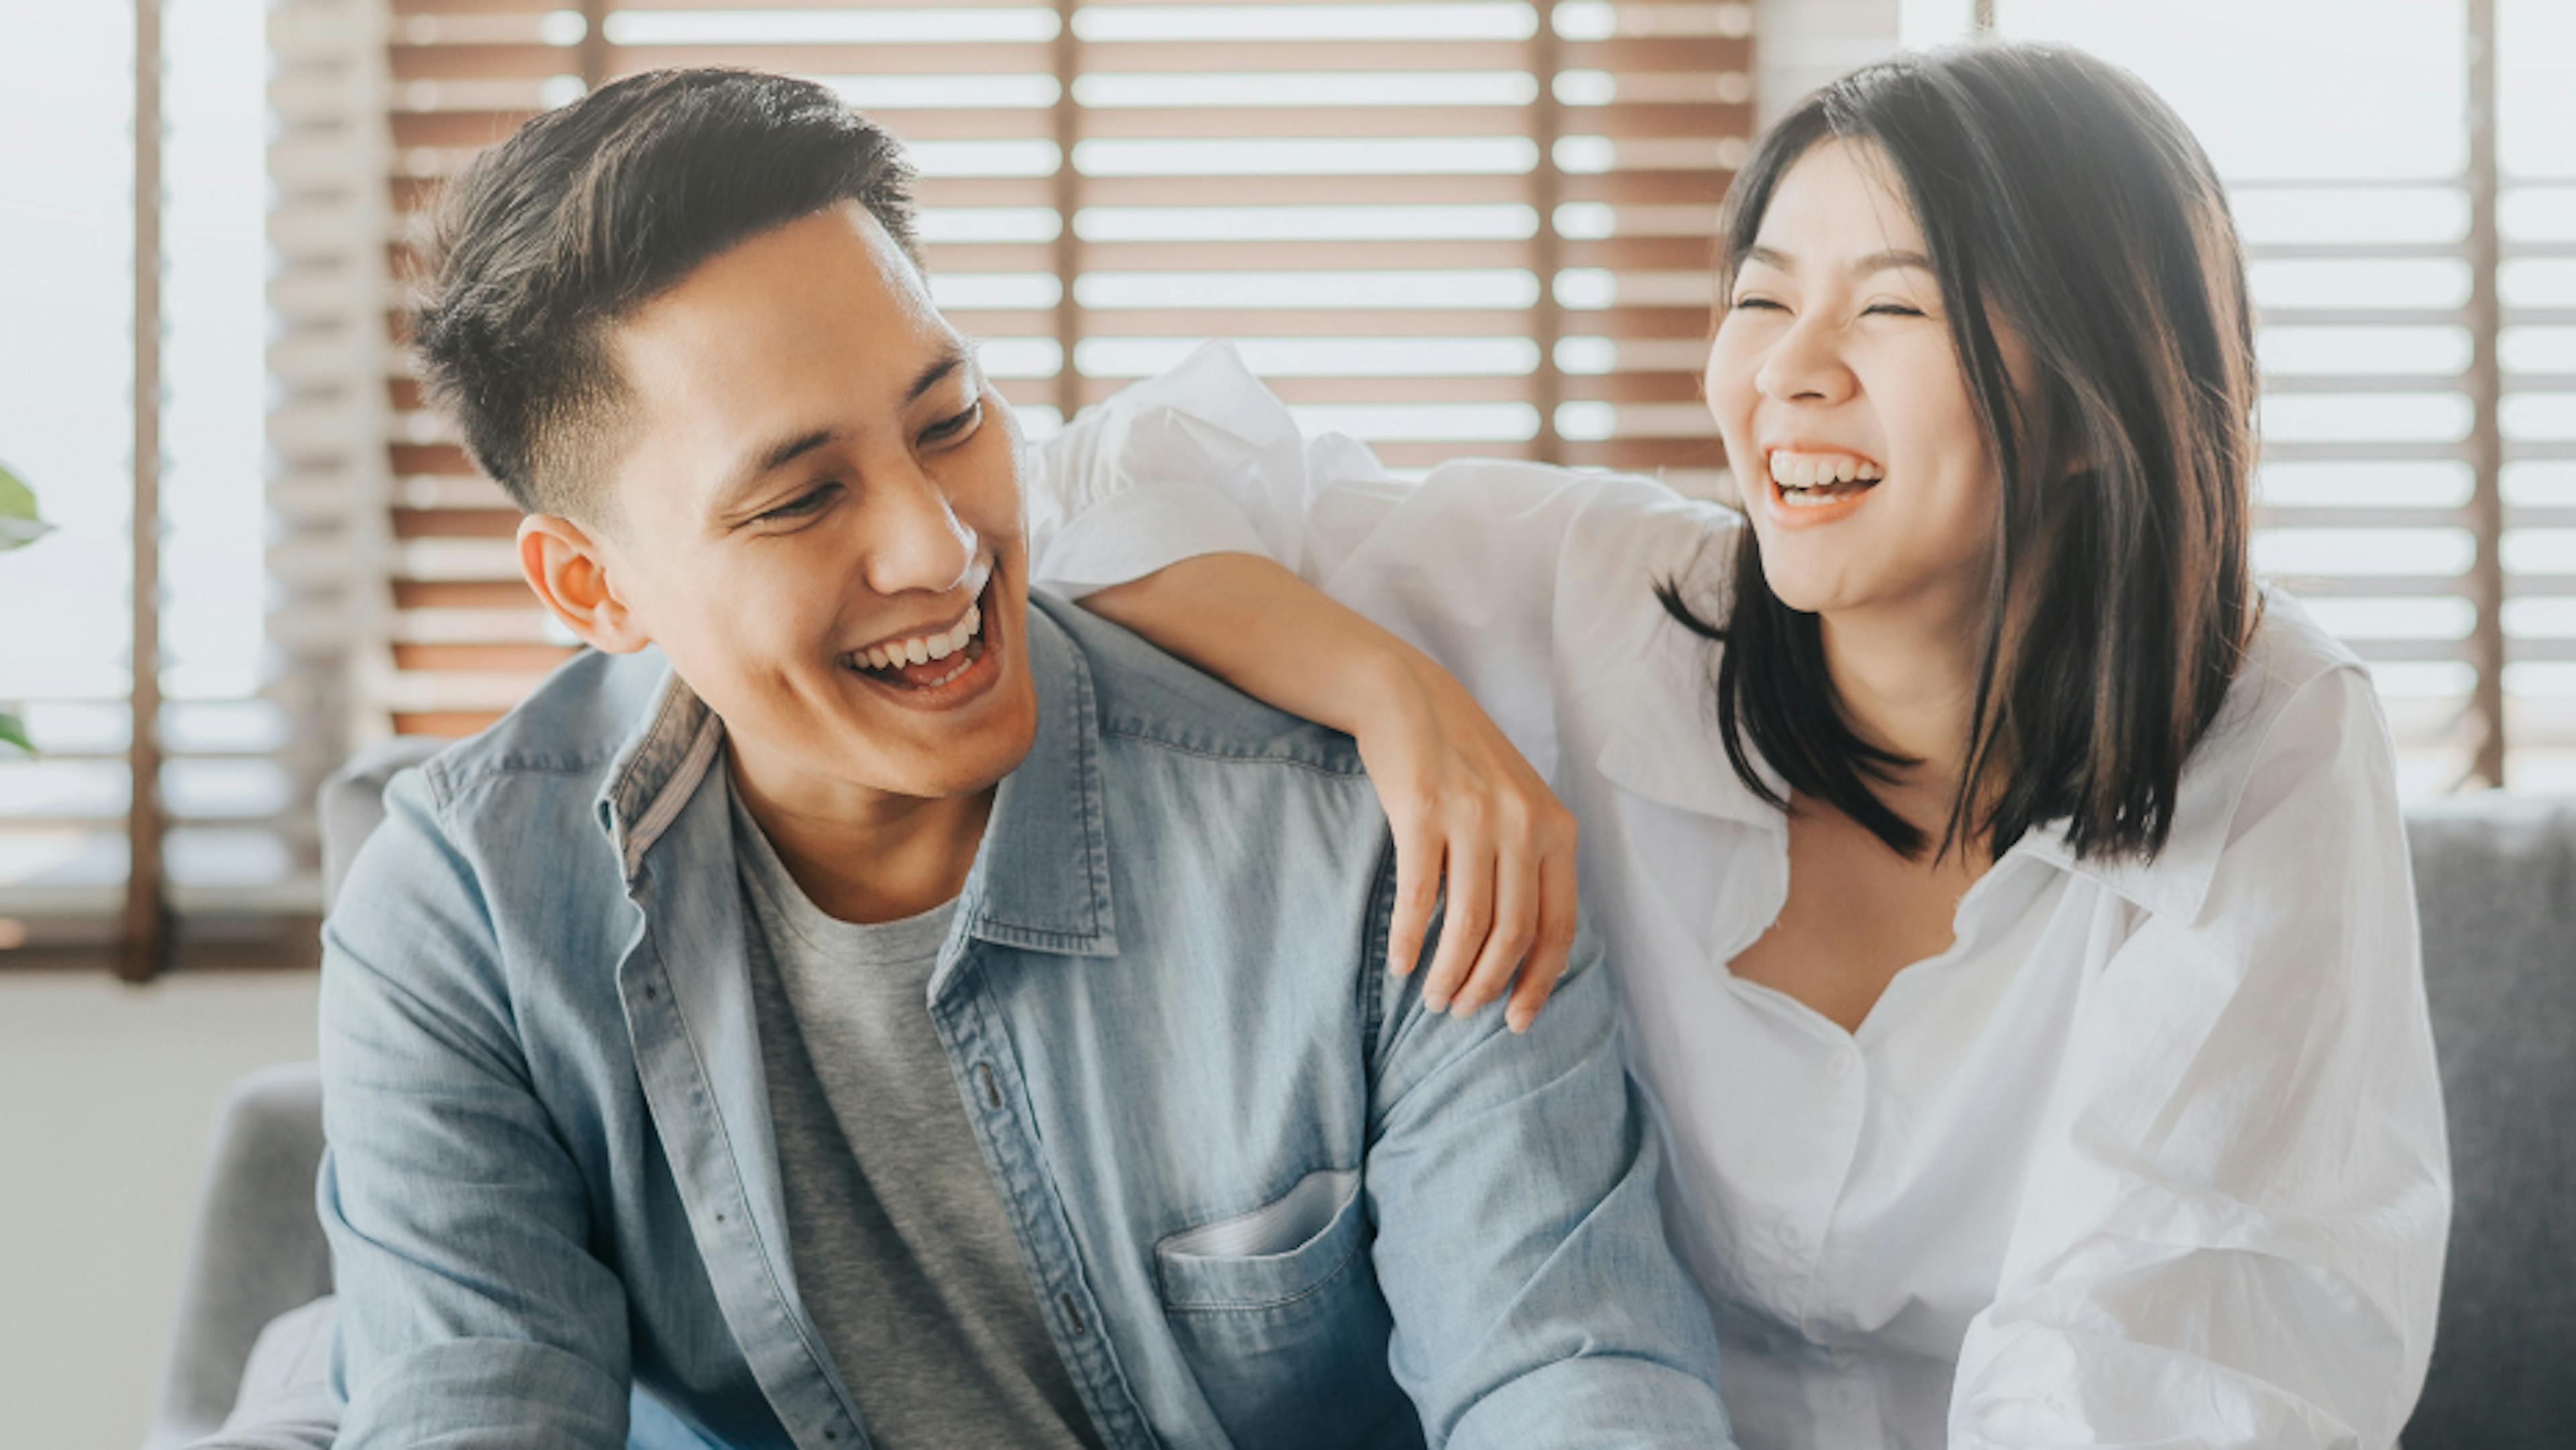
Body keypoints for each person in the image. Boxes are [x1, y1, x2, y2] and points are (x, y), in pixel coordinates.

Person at [1023, 43, 2451, 1450]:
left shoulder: (2275, 733)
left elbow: (2166, 1350)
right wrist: (1398, 696)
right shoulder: (1597, 600)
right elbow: (1089, 484)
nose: (1789, 372)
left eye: (1896, 309)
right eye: (1762, 298)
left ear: (2090, 398)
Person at [303, 68, 1738, 1450]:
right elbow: (467, 1400)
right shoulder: (469, 906)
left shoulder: (1382, 860)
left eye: (951, 421)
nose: (942, 546)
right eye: (801, 498)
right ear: (589, 586)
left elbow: (1578, 1386)